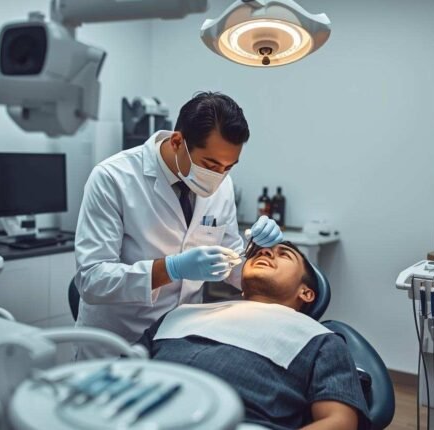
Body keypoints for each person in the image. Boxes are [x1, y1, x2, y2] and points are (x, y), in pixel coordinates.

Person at [73, 91, 284, 343]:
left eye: (229, 167)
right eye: (210, 164)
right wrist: (172, 268)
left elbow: (231, 262)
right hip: (118, 341)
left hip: (180, 337)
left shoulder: (222, 185)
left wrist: (257, 252)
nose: (218, 176)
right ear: (176, 142)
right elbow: (91, 280)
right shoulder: (112, 178)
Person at [137, 242, 370, 430]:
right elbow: (122, 370)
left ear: (306, 293)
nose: (266, 251)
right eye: (260, 251)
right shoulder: (181, 313)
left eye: (285, 254)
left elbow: (340, 422)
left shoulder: (319, 339)